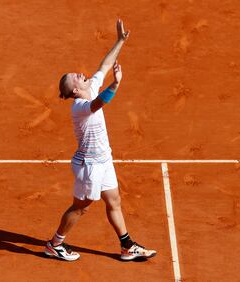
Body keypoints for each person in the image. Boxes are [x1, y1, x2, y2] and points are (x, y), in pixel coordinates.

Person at [44, 19, 156, 262]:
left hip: (103, 160)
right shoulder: (80, 106)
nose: (81, 74)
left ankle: (127, 246)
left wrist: (120, 41)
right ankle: (55, 244)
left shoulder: (91, 87)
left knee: (113, 200)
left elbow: (104, 65)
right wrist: (116, 84)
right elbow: (99, 103)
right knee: (81, 207)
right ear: (74, 90)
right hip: (89, 166)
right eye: (76, 77)